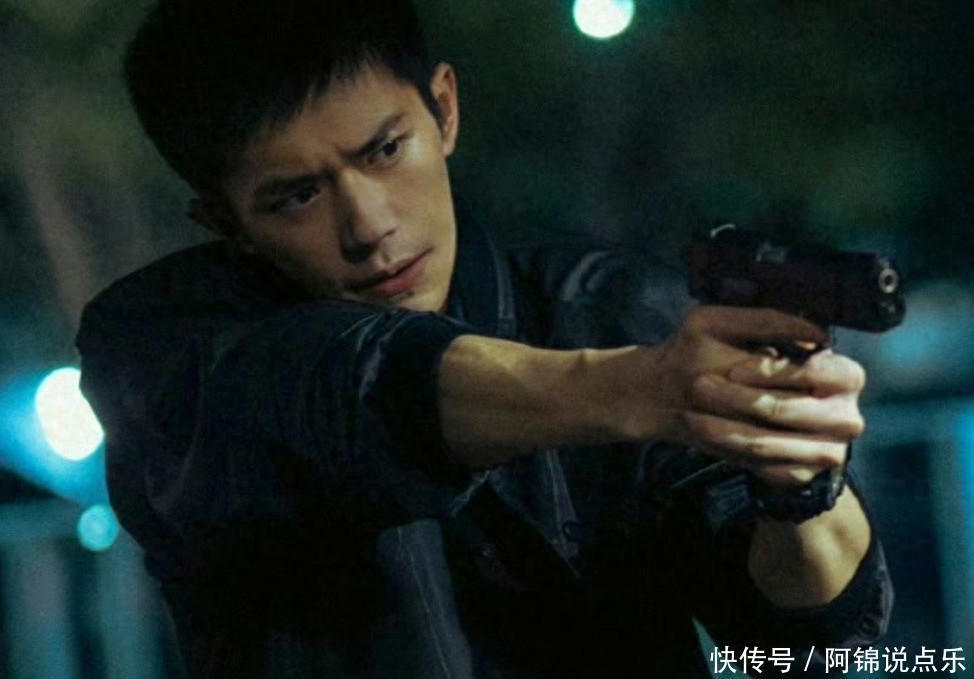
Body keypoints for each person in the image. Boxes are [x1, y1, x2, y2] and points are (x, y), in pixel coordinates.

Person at [76, 1, 892, 677]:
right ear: (226, 223)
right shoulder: (160, 348)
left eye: (385, 150)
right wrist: (640, 386)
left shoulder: (607, 310)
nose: (369, 225)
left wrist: (801, 485)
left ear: (444, 110)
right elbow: (347, 388)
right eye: (296, 197)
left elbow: (814, 644)